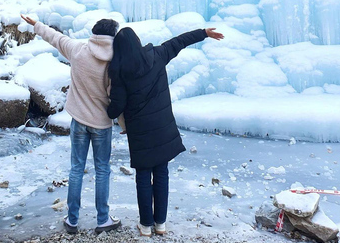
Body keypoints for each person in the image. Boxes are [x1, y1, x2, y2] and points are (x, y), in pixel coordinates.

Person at [106, 26, 224, 237]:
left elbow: (116, 107)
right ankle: (160, 224)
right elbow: (179, 42)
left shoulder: (119, 72)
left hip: (140, 132)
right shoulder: (157, 55)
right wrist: (204, 32)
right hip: (162, 127)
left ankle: (145, 225)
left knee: (143, 176)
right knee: (161, 173)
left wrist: (104, 106)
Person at [21, 15, 122, 234]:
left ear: (94, 34)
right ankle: (103, 219)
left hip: (78, 120)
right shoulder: (115, 61)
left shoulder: (78, 50)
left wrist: (36, 25)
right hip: (102, 124)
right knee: (102, 169)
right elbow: (116, 96)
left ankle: (72, 220)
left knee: (77, 168)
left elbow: (55, 38)